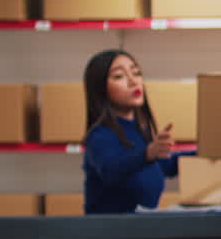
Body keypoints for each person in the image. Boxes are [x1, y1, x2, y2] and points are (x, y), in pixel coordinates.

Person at [82, 49, 193, 214]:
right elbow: (111, 170)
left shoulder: (140, 130)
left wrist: (208, 151)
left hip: (142, 228)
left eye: (136, 72)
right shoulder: (98, 136)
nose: (133, 81)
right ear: (100, 88)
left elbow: (165, 165)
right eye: (119, 76)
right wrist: (148, 154)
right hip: (110, 234)